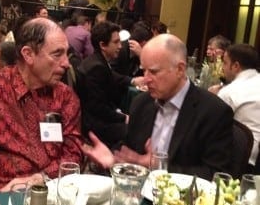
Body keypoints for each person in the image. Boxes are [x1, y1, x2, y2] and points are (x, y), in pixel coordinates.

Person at [82, 33, 234, 180]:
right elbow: (131, 148)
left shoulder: (213, 111)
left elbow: (216, 175)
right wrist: (113, 157)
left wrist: (158, 166)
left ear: (180, 70)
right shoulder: (142, 103)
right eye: (144, 70)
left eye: (153, 72)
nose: (146, 79)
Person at [0, 17, 84, 192]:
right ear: (28, 54)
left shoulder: (65, 97)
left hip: (49, 190)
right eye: (57, 54)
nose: (66, 63)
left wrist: (39, 179)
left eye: (66, 53)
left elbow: (73, 156)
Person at [76, 21, 144, 149]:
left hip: (97, 119)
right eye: (116, 42)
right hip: (96, 125)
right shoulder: (97, 68)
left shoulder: (95, 61)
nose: (120, 46)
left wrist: (132, 81)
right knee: (138, 132)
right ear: (103, 45)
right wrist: (123, 118)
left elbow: (112, 76)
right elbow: (99, 109)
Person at [208, 43, 260, 171]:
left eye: (225, 63)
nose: (223, 69)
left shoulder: (230, 92)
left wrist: (212, 98)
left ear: (236, 66)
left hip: (243, 161)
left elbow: (210, 125)